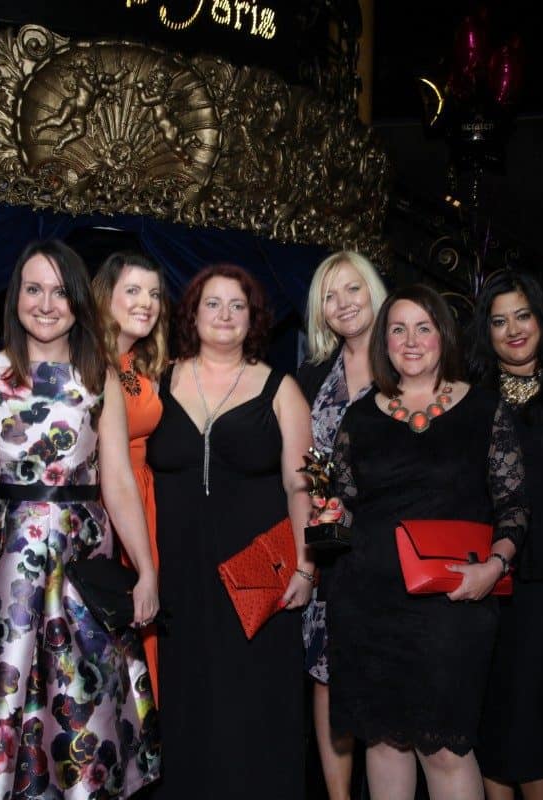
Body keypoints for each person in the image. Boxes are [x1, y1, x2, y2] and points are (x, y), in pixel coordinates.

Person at [0, 240, 161, 799]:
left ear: (78, 302)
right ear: (15, 297)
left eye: (60, 292)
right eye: (33, 289)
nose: (46, 304)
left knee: (78, 712)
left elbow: (117, 480)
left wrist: (146, 572)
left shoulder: (99, 379)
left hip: (77, 569)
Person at [321, 284, 528, 800]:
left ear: (443, 336)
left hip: (452, 604)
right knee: (384, 744)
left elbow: (515, 508)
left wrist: (494, 568)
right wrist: (323, 529)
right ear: (384, 342)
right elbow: (341, 511)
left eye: (423, 328)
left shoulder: (483, 409)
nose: (410, 341)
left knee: (446, 750)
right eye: (398, 329)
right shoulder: (359, 417)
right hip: (369, 606)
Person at [146, 263, 314, 799]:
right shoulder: (156, 382)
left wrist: (307, 566)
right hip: (176, 581)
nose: (224, 315)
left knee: (256, 712)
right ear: (191, 314)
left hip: (257, 579)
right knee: (184, 707)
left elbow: (308, 485)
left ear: (253, 318)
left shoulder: (281, 388)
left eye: (237, 305)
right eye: (212, 303)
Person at [467, 271, 543, 800]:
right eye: (499, 321)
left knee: (532, 712)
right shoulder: (471, 395)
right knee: (490, 710)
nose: (513, 330)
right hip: (483, 570)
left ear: (540, 319)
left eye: (522, 315)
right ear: (485, 332)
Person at [295, 250, 387, 800]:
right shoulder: (312, 376)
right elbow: (306, 466)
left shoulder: (408, 359)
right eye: (329, 296)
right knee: (327, 677)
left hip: (393, 546)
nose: (343, 303)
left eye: (353, 288)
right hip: (330, 547)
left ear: (374, 290)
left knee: (386, 678)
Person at [91, 250, 169, 703]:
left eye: (154, 294)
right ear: (106, 297)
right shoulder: (86, 359)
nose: (147, 303)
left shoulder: (143, 363)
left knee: (144, 626)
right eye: (134, 291)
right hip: (106, 506)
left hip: (144, 502)